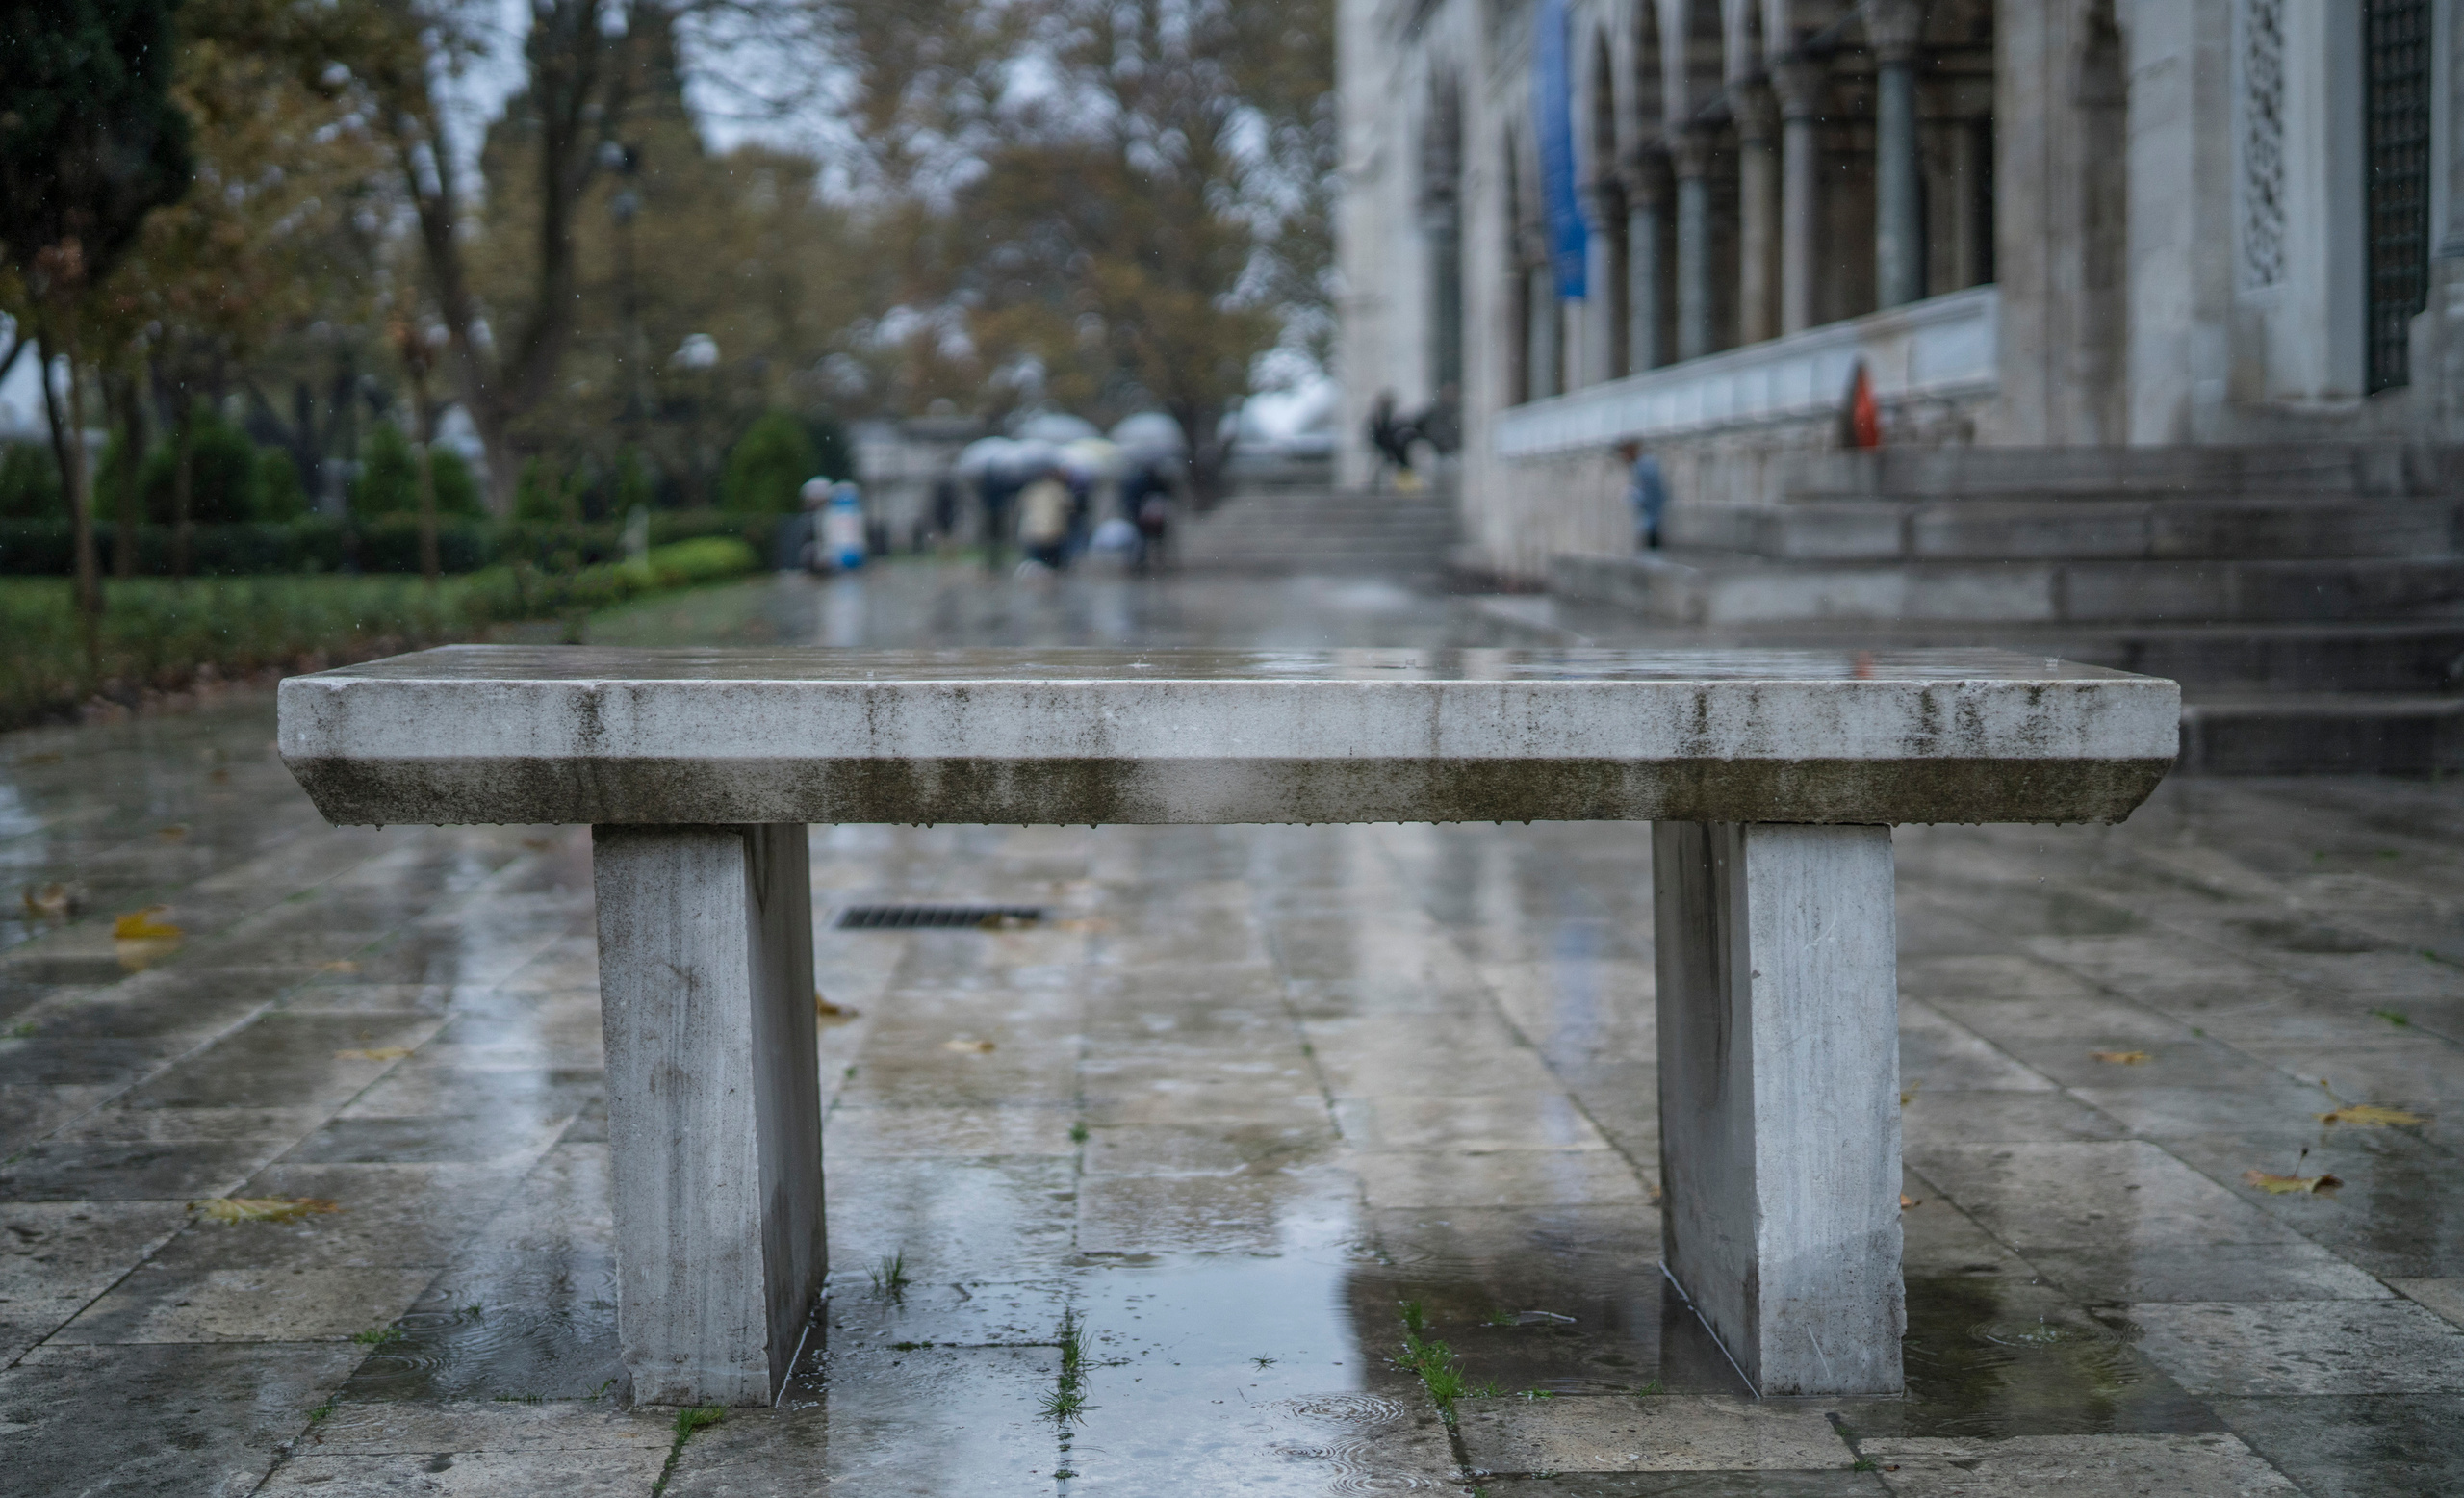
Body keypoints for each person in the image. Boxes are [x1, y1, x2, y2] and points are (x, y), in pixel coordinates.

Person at [1015, 464, 1073, 571]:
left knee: (1036, 565)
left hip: (1032, 531)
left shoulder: (1030, 489)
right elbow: (1070, 505)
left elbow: (1020, 505)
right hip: (1053, 532)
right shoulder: (1058, 489)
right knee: (1052, 565)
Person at [1618, 438, 1669, 551]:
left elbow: (1652, 493)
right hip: (1649, 519)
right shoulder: (1640, 465)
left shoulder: (1644, 466)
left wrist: (1634, 495)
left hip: (1653, 519)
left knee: (1652, 549)